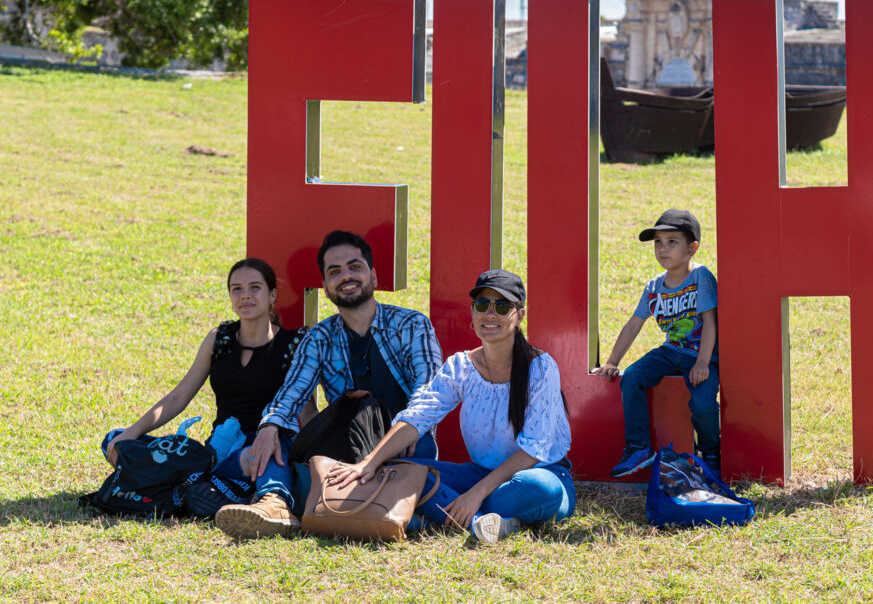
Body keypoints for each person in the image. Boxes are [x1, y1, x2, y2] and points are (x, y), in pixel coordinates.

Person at [214, 229, 442, 539]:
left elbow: (428, 393)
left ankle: (352, 509)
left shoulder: (411, 325)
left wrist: (403, 432)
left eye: (354, 267)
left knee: (422, 448)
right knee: (276, 440)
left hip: (401, 450)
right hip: (344, 448)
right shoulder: (319, 337)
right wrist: (269, 427)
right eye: (334, 271)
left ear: (373, 276)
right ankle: (275, 502)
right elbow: (291, 394)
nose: (345, 276)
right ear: (325, 286)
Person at [327, 269, 574, 544]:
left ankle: (442, 514)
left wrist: (475, 494)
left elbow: (533, 451)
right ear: (473, 312)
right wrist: (368, 463)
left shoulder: (540, 368)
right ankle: (483, 523)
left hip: (538, 476)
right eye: (482, 305)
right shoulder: (461, 367)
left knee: (538, 489)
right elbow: (418, 416)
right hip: (479, 474)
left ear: (520, 315)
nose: (490, 314)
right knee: (399, 469)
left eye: (502, 306)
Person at [101, 258, 306, 506]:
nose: (245, 296)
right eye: (236, 289)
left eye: (255, 287)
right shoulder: (218, 339)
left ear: (272, 295)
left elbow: (304, 410)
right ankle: (212, 486)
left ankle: (244, 493)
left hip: (261, 450)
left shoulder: (293, 345)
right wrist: (131, 435)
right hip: (217, 450)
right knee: (115, 439)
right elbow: (178, 397)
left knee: (261, 456)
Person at [592, 208, 721, 477]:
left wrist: (702, 362)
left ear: (692, 248)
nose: (663, 249)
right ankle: (639, 448)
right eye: (658, 243)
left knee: (702, 405)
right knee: (634, 376)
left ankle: (711, 452)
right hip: (672, 350)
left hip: (701, 355)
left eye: (672, 242)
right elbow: (634, 324)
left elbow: (711, 322)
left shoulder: (701, 277)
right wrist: (612, 361)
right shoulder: (654, 286)